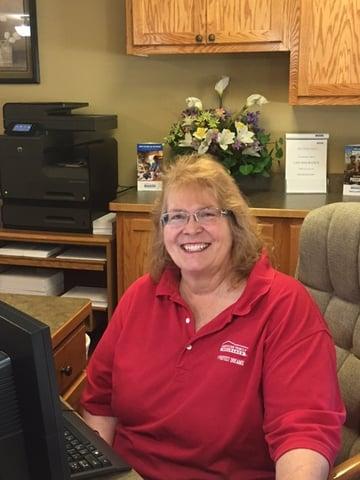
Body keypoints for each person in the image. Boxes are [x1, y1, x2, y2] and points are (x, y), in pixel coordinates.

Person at [81, 153, 345, 480]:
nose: (191, 229)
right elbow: (100, 403)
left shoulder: (283, 305)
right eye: (176, 216)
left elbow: (303, 431)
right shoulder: (141, 295)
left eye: (206, 213)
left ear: (234, 223)